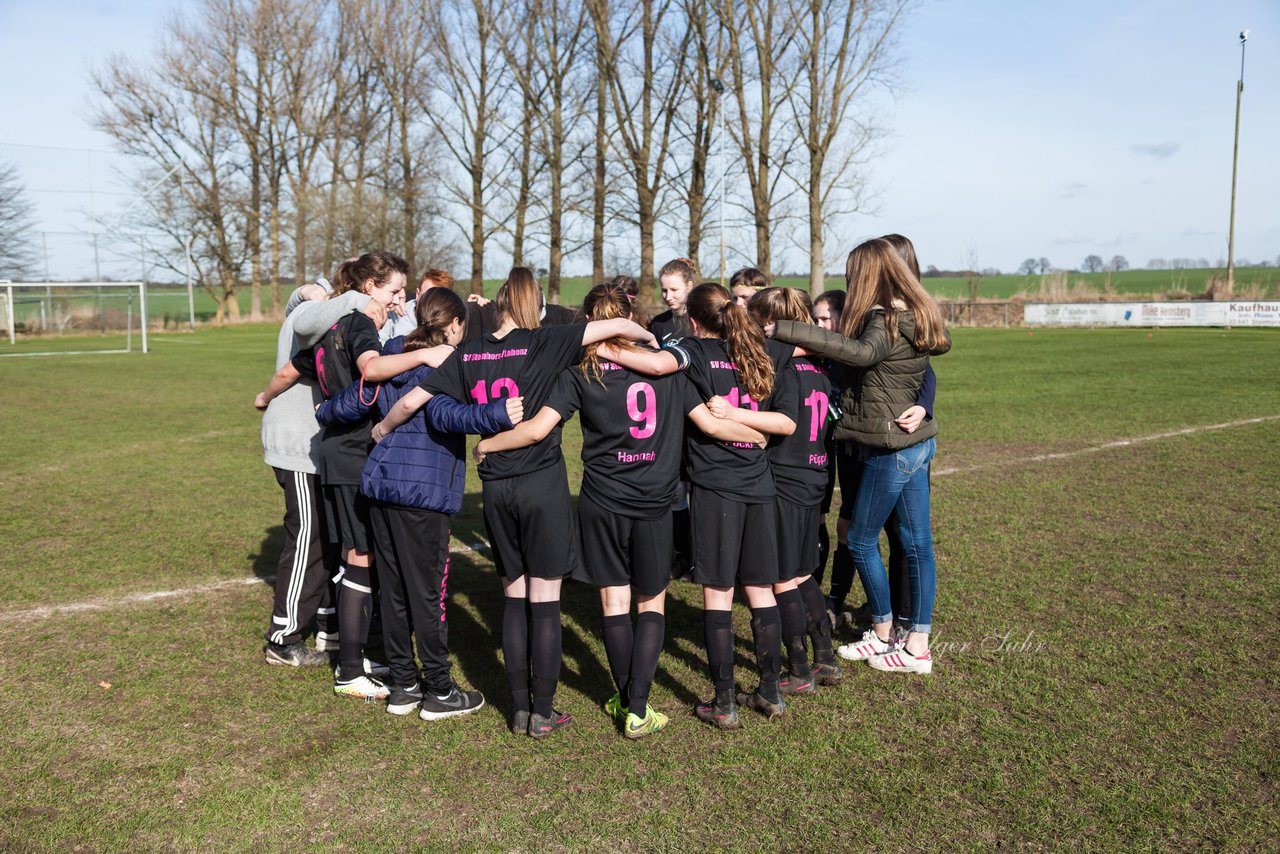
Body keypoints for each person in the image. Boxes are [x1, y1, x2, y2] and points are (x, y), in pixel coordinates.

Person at [374, 267, 658, 737]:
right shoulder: (549, 341)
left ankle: (520, 709)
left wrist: (382, 430)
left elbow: (414, 402)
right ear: (535, 305)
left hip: (496, 490)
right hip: (542, 486)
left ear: (498, 305)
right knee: (545, 600)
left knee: (513, 598)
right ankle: (542, 712)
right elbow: (621, 327)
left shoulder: (468, 351)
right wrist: (651, 341)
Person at [473, 284, 765, 738]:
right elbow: (711, 424)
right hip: (656, 503)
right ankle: (637, 707)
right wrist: (756, 436)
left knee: (614, 601)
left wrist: (488, 444)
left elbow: (535, 430)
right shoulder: (671, 373)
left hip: (601, 502)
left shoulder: (577, 374)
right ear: (632, 316)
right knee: (652, 601)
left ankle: (625, 695)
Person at [317, 287, 521, 721]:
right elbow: (444, 415)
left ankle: (404, 687)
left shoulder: (393, 352)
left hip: (382, 486)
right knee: (429, 595)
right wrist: (498, 415)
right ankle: (439, 689)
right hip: (422, 493)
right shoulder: (448, 359)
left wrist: (325, 411)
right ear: (453, 326)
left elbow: (355, 398)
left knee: (393, 591)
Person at [256, 251, 448, 699]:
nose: (402, 299)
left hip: (330, 445)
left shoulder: (340, 325)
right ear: (366, 287)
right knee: (329, 545)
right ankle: (298, 644)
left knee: (340, 545)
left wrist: (264, 395)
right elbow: (367, 367)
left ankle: (337, 635)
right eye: (394, 290)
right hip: (322, 446)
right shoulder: (338, 317)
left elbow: (292, 370)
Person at [767, 237, 950, 674]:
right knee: (917, 544)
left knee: (864, 540)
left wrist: (787, 329)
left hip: (891, 447)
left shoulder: (883, 318)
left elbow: (861, 353)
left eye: (852, 271)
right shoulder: (915, 312)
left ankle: (886, 632)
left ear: (867, 274)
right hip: (916, 443)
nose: (848, 279)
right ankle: (915, 644)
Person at [718, 287, 841, 693]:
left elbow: (783, 421)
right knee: (803, 571)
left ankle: (799, 668)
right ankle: (824, 656)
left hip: (786, 478)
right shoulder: (819, 364)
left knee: (782, 578)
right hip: (816, 473)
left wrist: (738, 417)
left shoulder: (783, 367)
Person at [257, 277, 377, 667]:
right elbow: (306, 309)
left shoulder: (338, 313)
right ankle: (283, 637)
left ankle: (328, 623)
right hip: (298, 446)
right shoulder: (323, 308)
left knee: (328, 538)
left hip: (318, 447)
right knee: (307, 537)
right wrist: (352, 298)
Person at [648, 258, 696, 345]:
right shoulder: (658, 324)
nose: (668, 297)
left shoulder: (704, 320)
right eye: (664, 291)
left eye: (674, 290)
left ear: (689, 286)